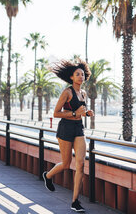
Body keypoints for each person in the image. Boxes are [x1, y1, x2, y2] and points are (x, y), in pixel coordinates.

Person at [42, 58, 94, 212]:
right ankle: (48, 176)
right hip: (65, 129)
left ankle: (75, 201)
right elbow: (56, 113)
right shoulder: (67, 92)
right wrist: (73, 113)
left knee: (81, 164)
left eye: (83, 74)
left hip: (78, 129)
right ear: (71, 77)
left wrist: (86, 113)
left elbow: (80, 112)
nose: (81, 77)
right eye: (77, 74)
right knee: (66, 164)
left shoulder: (83, 93)